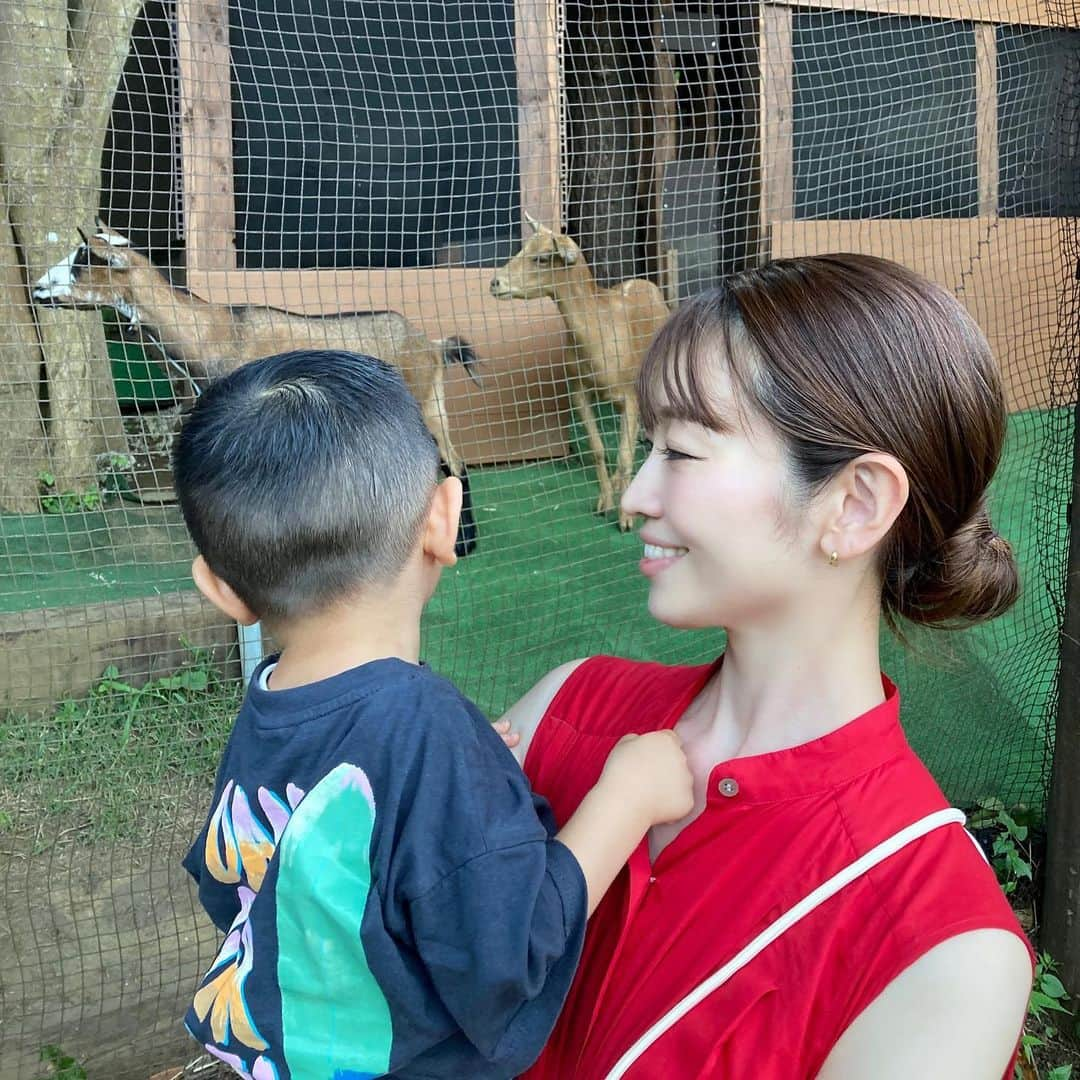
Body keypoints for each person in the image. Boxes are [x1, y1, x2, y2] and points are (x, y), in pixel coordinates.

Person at [499, 254, 1035, 1080]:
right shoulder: (562, 706)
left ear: (854, 506)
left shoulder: (944, 952)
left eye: (679, 452)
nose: (638, 494)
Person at [172, 349, 694, 1080]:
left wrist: (459, 792)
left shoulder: (269, 703)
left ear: (220, 589)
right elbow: (507, 955)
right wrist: (625, 799)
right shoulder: (424, 728)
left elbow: (226, 879)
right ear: (444, 518)